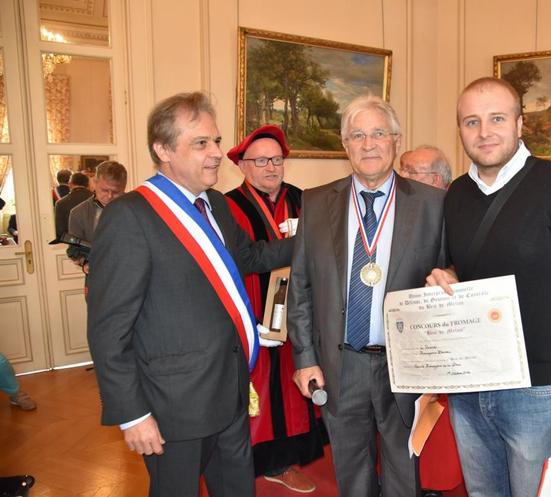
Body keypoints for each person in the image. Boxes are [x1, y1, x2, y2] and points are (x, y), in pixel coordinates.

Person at [87, 91, 293, 497]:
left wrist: (319, 238)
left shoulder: (214, 203)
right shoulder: (128, 216)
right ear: (162, 149)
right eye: (201, 143)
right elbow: (108, 331)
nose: (216, 153)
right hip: (172, 408)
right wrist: (133, 414)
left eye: (215, 140)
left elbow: (250, 256)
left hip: (230, 390)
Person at [427, 77, 551, 497]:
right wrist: (448, 278)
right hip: (470, 384)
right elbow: (468, 270)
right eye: (471, 122)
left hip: (538, 390)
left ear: (519, 123)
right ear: (459, 130)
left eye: (497, 118)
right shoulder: (456, 194)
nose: (484, 132)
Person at [288, 95, 445, 497]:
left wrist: (452, 277)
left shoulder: (433, 205)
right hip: (341, 364)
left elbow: (452, 272)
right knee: (351, 468)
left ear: (395, 140)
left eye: (378, 133)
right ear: (345, 146)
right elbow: (301, 287)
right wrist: (305, 358)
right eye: (357, 135)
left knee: (403, 466)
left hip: (404, 364)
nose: (369, 144)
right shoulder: (316, 201)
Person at [224, 125, 323, 493]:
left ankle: (292, 456)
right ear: (243, 166)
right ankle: (269, 462)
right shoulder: (228, 206)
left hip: (301, 310)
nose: (270, 167)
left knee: (298, 380)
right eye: (261, 160)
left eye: (277, 159)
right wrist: (300, 242)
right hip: (254, 315)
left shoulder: (305, 199)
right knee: (263, 388)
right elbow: (243, 260)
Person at [399, 145, 462, 497]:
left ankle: (434, 484)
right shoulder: (405, 211)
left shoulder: (458, 213)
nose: (401, 176)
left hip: (446, 332)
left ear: (435, 179)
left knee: (438, 413)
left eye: (410, 170)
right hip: (406, 330)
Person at [67, 161, 128, 269]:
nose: (109, 196)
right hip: (98, 277)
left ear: (124, 188)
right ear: (94, 183)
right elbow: (74, 249)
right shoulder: (78, 213)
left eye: (116, 192)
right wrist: (84, 262)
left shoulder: (138, 208)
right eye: (104, 190)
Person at [54, 172, 92, 239]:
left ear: (70, 184)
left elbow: (60, 232)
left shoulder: (60, 203)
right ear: (87, 184)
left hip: (74, 244)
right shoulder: (99, 199)